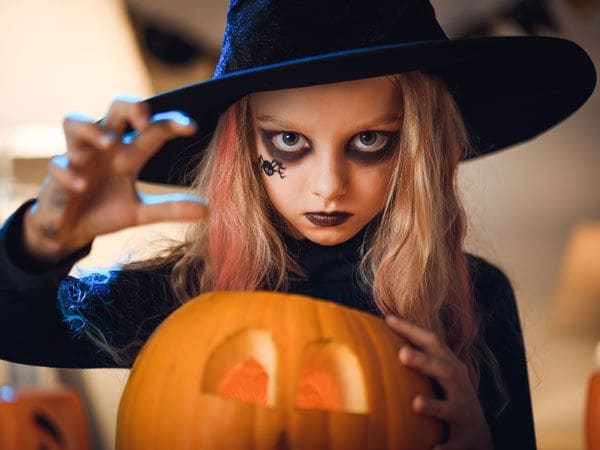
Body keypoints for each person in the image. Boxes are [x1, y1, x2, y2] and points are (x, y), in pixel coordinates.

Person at [0, 1, 595, 449]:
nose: (327, 185)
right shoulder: (181, 293)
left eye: (370, 140)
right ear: (240, 148)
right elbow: (14, 329)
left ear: (417, 146)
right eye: (288, 141)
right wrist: (42, 242)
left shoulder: (474, 297)